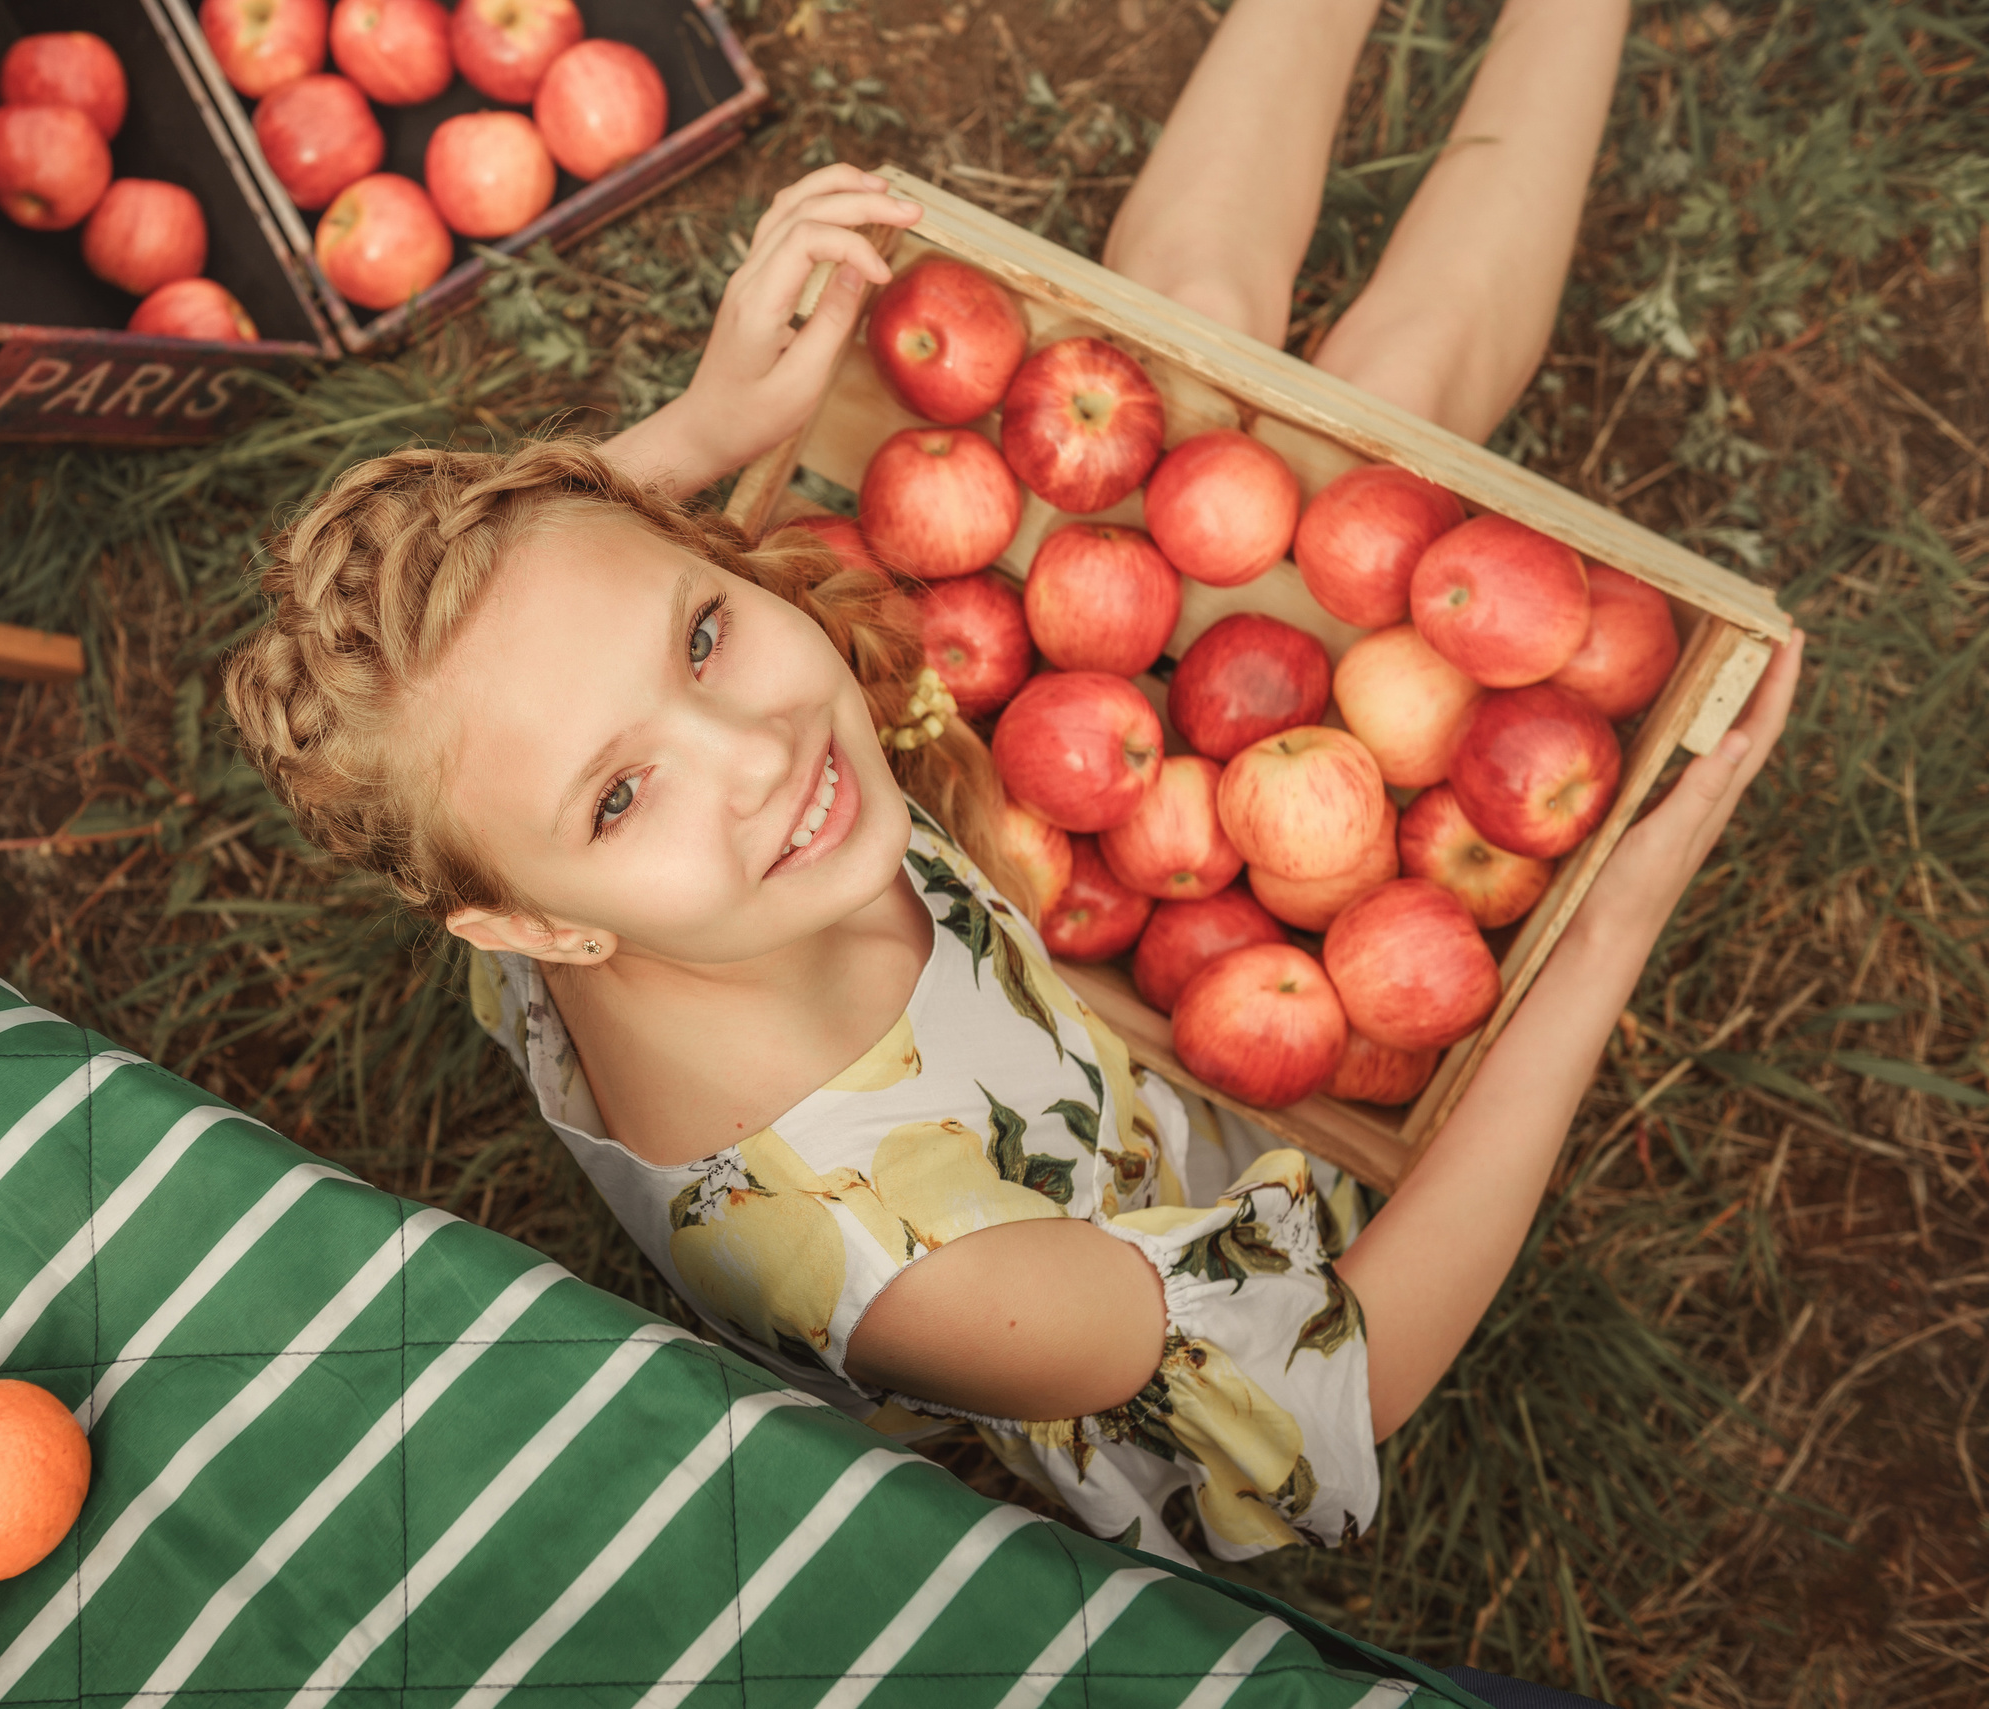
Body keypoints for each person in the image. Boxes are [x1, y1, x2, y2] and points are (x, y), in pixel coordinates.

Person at [221, 0, 1804, 1572]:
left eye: (702, 631)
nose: (758, 751)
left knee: (1187, 324)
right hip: (1140, 1227)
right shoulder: (928, 1265)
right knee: (1410, 387)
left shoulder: (508, 827)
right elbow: (1347, 1375)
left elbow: (528, 672)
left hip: (1045, 997)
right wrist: (1601, 941)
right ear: (529, 930)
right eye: (621, 797)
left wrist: (704, 430)